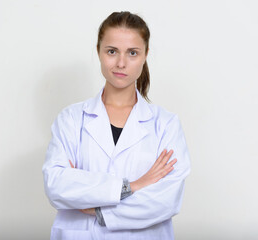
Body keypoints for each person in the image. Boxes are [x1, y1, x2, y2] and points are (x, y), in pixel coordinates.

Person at [42, 11, 191, 240]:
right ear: (99, 51)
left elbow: (165, 201)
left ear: (145, 55)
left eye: (132, 53)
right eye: (112, 51)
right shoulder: (71, 119)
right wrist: (134, 185)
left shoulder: (166, 125)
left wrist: (97, 208)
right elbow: (57, 186)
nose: (121, 63)